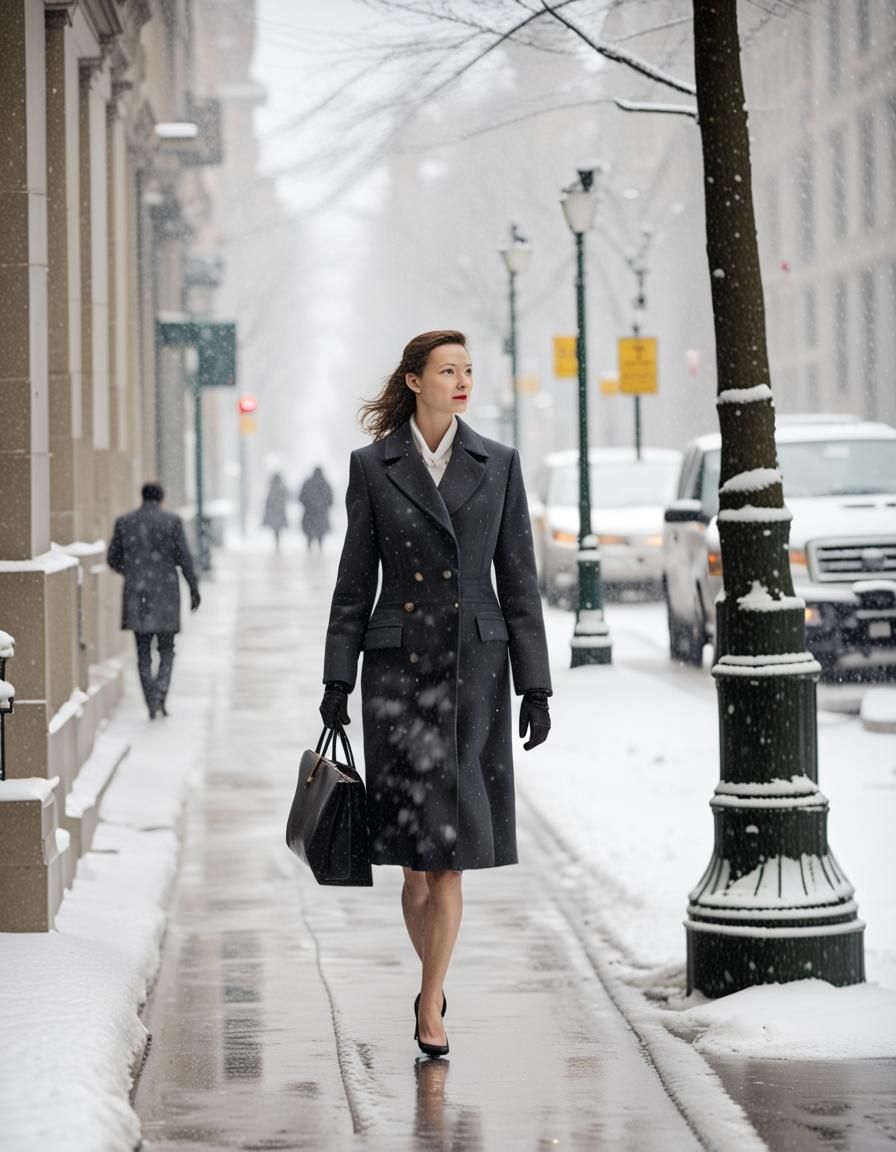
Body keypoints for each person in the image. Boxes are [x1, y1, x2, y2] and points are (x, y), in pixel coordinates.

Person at [320, 330, 552, 1059]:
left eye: (469, 371)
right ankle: (432, 977)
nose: (463, 381)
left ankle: (429, 1000)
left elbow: (520, 583)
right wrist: (336, 678)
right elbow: (355, 584)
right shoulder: (373, 468)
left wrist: (536, 685)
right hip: (397, 678)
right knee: (415, 867)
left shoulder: (500, 466)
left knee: (448, 857)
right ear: (415, 380)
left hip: (475, 674)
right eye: (448, 370)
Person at [107, 482, 201, 720]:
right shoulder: (172, 521)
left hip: (137, 594)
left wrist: (133, 573)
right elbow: (184, 558)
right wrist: (193, 588)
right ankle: (160, 693)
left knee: (142, 652)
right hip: (166, 594)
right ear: (161, 498)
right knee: (167, 649)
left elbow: (112, 559)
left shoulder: (125, 522)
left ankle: (151, 697)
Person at [298, 466, 333, 551]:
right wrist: (323, 506)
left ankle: (310, 552)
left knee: (309, 536)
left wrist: (308, 505)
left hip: (309, 514)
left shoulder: (308, 483)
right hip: (321, 515)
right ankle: (319, 552)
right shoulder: (325, 484)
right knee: (320, 536)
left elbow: (301, 497)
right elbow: (331, 500)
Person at [262, 472, 289, 551]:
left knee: (276, 530)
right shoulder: (281, 487)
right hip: (279, 513)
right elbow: (288, 496)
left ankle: (277, 544)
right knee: (278, 530)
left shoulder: (272, 487)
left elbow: (268, 501)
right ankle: (277, 544)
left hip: (274, 513)